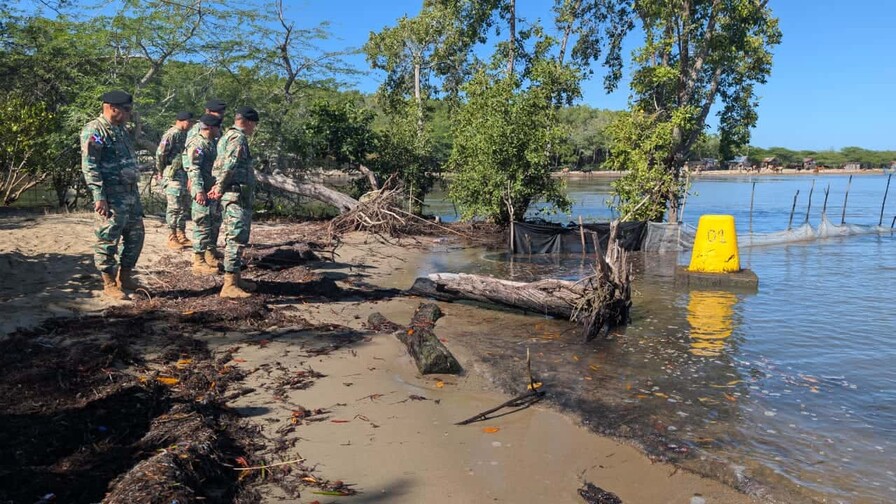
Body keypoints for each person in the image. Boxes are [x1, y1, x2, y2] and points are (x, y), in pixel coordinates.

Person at [80, 90, 144, 300]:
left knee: (136, 236)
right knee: (108, 238)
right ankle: (109, 282)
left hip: (130, 195)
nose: (128, 114)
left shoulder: (121, 130)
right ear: (112, 107)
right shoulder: (95, 130)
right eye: (126, 110)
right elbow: (90, 165)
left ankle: (125, 278)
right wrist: (99, 196)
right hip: (111, 195)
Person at [208, 106, 258, 298]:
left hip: (234, 193)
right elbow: (229, 164)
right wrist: (220, 186)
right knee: (236, 237)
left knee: (236, 236)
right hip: (235, 195)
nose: (254, 129)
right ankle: (229, 285)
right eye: (254, 124)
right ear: (248, 122)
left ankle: (236, 278)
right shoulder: (238, 138)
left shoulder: (225, 136)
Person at [184, 114, 223, 276]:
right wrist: (199, 191)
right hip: (203, 193)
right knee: (201, 225)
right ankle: (198, 261)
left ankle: (209, 254)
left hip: (211, 191)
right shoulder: (198, 144)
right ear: (212, 128)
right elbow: (194, 169)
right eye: (218, 127)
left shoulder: (211, 143)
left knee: (213, 223)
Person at [156, 111, 194, 250]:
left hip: (184, 176)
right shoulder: (171, 134)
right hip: (172, 176)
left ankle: (181, 234)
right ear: (183, 120)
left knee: (184, 207)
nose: (191, 125)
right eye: (190, 122)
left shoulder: (186, 135)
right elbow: (161, 153)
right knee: (174, 207)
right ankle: (172, 237)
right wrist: (160, 170)